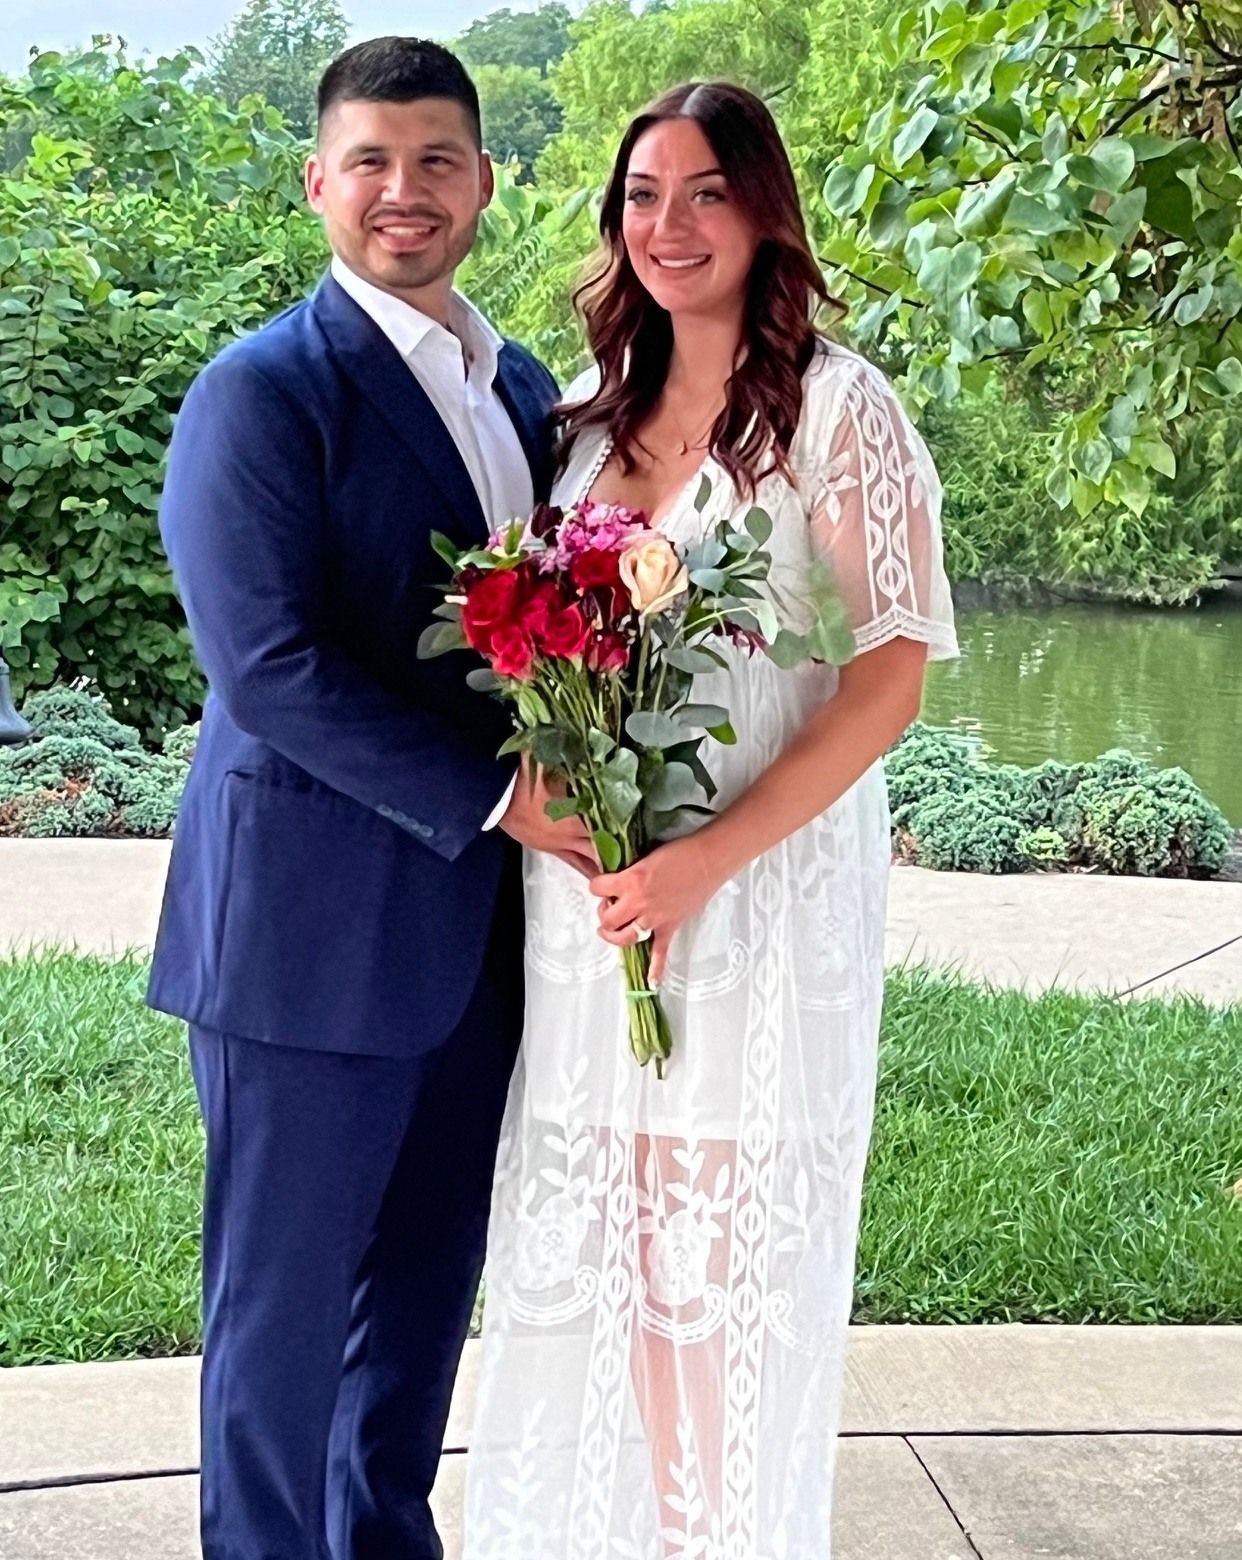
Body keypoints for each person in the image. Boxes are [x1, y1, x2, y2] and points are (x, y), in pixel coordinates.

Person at [463, 81, 958, 1557]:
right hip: (597, 902)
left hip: (752, 897)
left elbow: (888, 682)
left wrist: (703, 863)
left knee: (712, 1268)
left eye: (703, 193)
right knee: (604, 1249)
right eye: (640, 196)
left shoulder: (835, 408)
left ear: (762, 210)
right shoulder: (583, 415)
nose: (667, 226)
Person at [147, 37, 594, 1560]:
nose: (405, 192)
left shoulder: (517, 384)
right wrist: (505, 798)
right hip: (303, 943)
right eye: (372, 162)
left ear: (484, 178)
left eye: (438, 160)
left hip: (472, 949)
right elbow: (267, 668)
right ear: (318, 182)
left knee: (415, 1307)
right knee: (277, 1334)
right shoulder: (262, 393)